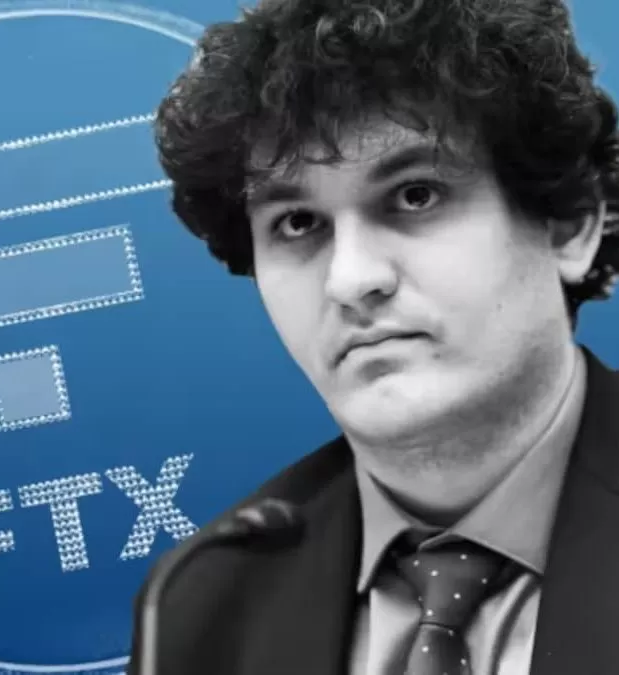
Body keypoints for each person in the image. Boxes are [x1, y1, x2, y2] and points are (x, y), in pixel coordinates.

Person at [128, 0, 619, 673]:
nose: (351, 279)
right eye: (298, 224)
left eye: (416, 195)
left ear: (569, 224)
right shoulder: (201, 605)